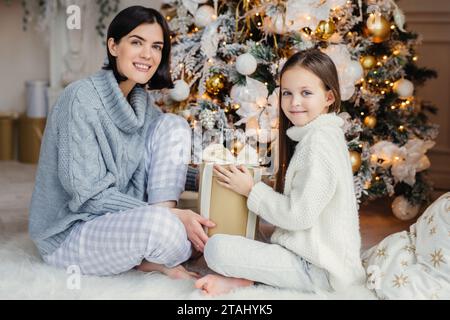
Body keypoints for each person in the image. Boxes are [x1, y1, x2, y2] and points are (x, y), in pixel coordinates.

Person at [28, 6, 214, 279]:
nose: (147, 55)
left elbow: (156, 163)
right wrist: (173, 220)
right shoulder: (80, 99)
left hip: (124, 220)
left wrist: (205, 178)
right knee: (171, 233)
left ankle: (156, 247)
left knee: (174, 125)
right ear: (113, 46)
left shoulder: (141, 102)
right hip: (72, 232)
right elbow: (87, 195)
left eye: (156, 46)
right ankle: (159, 243)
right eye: (136, 42)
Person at [194, 48, 367, 296]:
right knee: (250, 242)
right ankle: (249, 280)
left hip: (319, 270)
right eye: (287, 93)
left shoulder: (319, 143)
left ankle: (257, 282)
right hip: (308, 257)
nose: (294, 102)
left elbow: (298, 215)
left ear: (329, 97)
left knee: (216, 249)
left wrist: (251, 190)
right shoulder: (319, 136)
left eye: (306, 93)